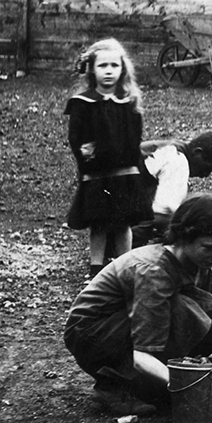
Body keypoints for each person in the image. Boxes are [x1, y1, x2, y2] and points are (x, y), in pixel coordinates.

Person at [63, 193, 212, 417]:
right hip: (93, 334)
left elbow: (211, 314)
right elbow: (142, 357)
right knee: (182, 309)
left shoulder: (198, 266)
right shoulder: (154, 272)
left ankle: (160, 382)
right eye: (210, 248)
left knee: (206, 304)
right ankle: (115, 386)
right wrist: (188, 386)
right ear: (184, 238)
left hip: (125, 324)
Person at [64, 38, 152, 279]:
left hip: (124, 172)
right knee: (99, 222)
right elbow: (77, 137)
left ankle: (126, 264)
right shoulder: (84, 103)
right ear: (92, 69)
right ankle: (96, 268)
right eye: (103, 66)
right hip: (97, 171)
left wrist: (133, 165)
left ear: (122, 69)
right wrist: (87, 157)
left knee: (123, 221)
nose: (109, 71)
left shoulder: (128, 102)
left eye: (114, 65)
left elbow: (135, 137)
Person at [132, 131, 212, 248]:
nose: (205, 175)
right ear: (197, 153)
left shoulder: (171, 147)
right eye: (208, 168)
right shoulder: (178, 161)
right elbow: (163, 214)